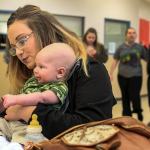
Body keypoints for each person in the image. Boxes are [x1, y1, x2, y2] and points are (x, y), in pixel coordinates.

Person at [3, 5, 115, 142]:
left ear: (43, 31)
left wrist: (27, 112)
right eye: (14, 47)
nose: (18, 52)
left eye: (22, 41)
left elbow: (93, 128)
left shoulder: (91, 70)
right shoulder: (30, 73)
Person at [2, 43, 76, 110]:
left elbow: (41, 98)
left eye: (41, 67)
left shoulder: (60, 88)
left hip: (34, 123)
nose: (35, 70)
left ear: (60, 72)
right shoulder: (34, 81)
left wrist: (15, 99)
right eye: (36, 66)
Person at [110, 27, 148, 121]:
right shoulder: (120, 47)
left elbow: (147, 58)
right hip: (122, 76)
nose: (131, 34)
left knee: (135, 95)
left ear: (136, 35)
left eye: (133, 33)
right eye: (129, 33)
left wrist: (146, 48)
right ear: (126, 35)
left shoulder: (140, 47)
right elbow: (115, 60)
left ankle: (138, 111)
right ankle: (127, 115)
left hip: (136, 76)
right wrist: (110, 73)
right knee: (125, 96)